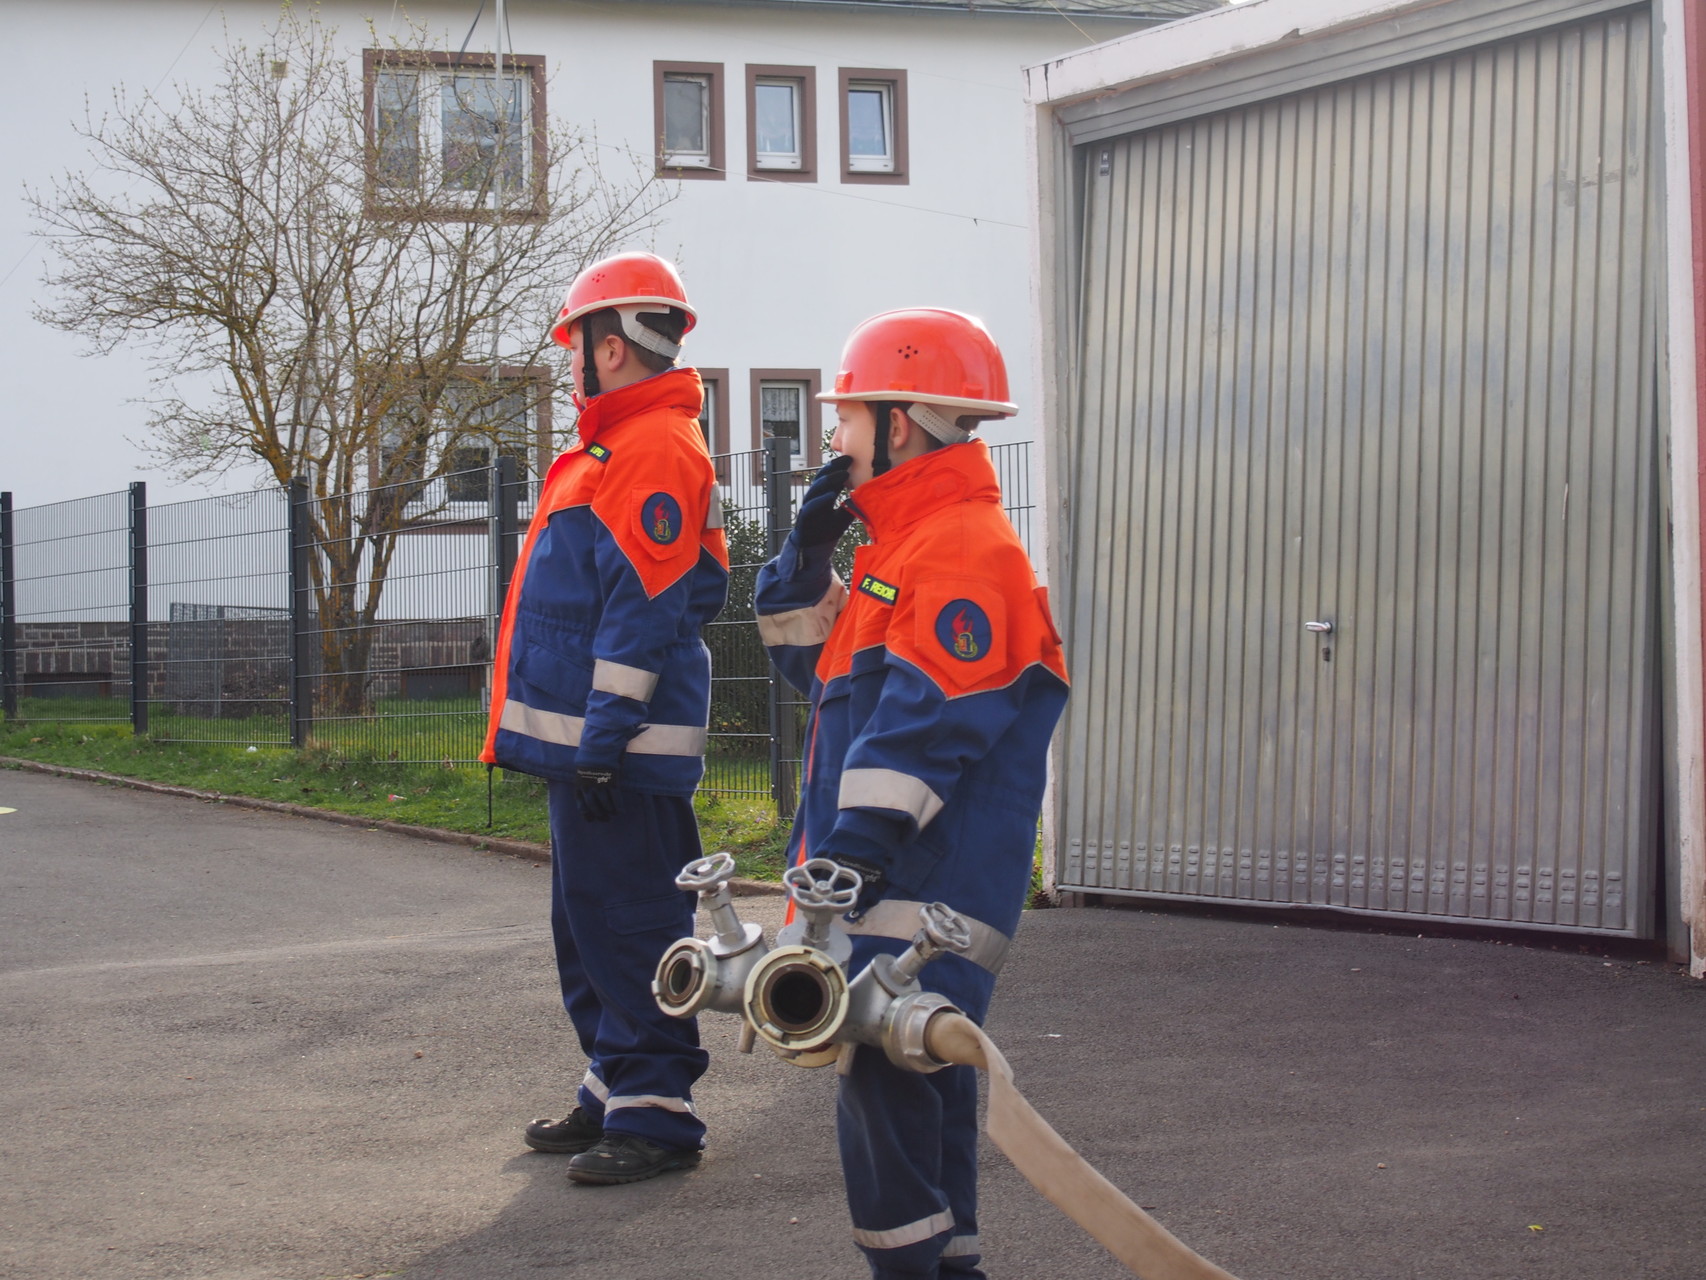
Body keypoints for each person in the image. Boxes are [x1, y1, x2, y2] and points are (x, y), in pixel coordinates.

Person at [754, 309, 1070, 1277]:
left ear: (899, 423)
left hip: (915, 895)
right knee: (917, 1096)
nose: (832, 439)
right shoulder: (905, 549)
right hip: (899, 887)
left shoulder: (960, 549)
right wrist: (806, 553)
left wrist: (848, 854)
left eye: (846, 417)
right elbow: (816, 676)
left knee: (888, 1102)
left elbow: (929, 724)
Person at [481, 251, 729, 1186]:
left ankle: (658, 1109)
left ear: (611, 344)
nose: (571, 360)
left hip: (616, 749)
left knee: (628, 920)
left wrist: (603, 739)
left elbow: (644, 607)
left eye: (577, 342)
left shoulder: (655, 445)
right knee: (588, 919)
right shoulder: (615, 446)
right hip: (593, 746)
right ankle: (614, 1081)